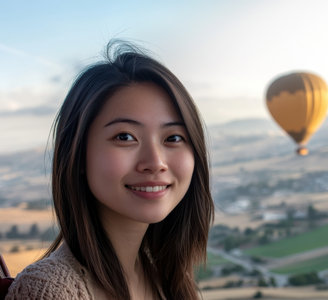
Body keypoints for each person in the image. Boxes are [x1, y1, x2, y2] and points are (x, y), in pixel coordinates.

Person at [6, 41, 214, 300]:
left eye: (173, 138)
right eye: (125, 137)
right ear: (78, 154)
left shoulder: (166, 278)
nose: (155, 161)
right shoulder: (49, 291)